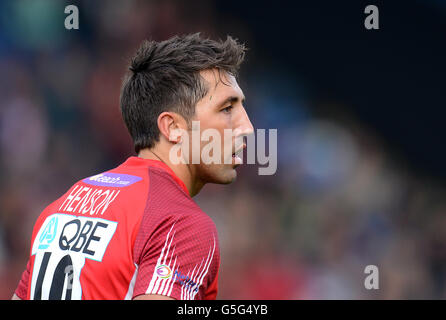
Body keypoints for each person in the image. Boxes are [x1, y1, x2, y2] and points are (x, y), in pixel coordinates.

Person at [12, 33, 253, 300]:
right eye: (227, 109)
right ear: (173, 127)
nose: (247, 127)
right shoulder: (180, 223)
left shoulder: (65, 204)